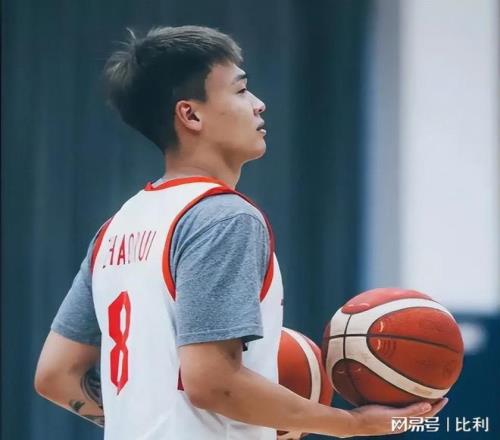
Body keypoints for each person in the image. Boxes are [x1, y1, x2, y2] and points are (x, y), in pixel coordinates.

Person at [34, 25, 448, 439]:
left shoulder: (117, 227)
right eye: (241, 90)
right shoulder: (224, 217)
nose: (259, 104)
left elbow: (56, 375)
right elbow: (213, 383)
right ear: (190, 115)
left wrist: (143, 416)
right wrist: (351, 425)